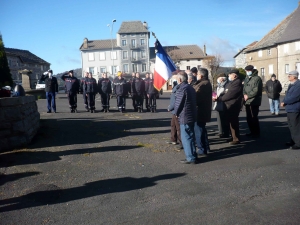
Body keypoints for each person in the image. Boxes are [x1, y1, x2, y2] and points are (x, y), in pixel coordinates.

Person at [174, 71, 197, 164]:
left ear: (179, 79)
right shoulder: (190, 87)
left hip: (185, 116)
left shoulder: (182, 88)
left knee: (186, 137)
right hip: (191, 115)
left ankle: (190, 158)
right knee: (191, 136)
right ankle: (193, 155)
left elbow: (178, 103)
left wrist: (176, 113)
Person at [217, 69, 243, 145]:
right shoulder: (232, 83)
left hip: (233, 105)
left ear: (234, 75)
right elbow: (226, 91)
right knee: (230, 122)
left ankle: (236, 138)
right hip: (229, 105)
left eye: (230, 74)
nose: (228, 76)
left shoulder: (237, 83)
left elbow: (230, 94)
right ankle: (233, 136)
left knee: (233, 122)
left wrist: (220, 99)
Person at [193, 68, 212, 156]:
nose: (196, 76)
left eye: (197, 74)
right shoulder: (202, 83)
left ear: (201, 75)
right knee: (202, 130)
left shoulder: (204, 84)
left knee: (199, 130)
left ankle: (202, 149)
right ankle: (206, 147)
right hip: (201, 110)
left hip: (200, 110)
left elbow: (198, 98)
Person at [281, 70, 300, 150]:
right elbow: (287, 94)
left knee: (295, 126)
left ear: (294, 76)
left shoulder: (298, 85)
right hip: (289, 108)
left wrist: (285, 102)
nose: (288, 77)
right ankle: (293, 140)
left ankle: (298, 143)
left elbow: (295, 97)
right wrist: (284, 101)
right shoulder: (291, 85)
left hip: (295, 108)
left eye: (289, 76)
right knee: (291, 125)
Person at [243, 65, 262, 138]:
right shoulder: (247, 78)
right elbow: (244, 87)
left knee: (254, 117)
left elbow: (256, 90)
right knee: (249, 118)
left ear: (252, 70)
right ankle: (252, 131)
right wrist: (244, 94)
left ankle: (256, 132)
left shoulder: (257, 79)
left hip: (254, 101)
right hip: (247, 101)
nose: (247, 72)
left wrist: (248, 95)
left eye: (248, 71)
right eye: (246, 71)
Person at [167, 75, 182, 148]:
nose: (173, 79)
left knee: (178, 127)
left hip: (176, 109)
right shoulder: (176, 85)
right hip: (173, 109)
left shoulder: (179, 87)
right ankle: (173, 139)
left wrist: (171, 107)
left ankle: (181, 142)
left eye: (175, 77)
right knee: (173, 125)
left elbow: (177, 100)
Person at [213, 73, 230, 138]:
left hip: (224, 104)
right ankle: (221, 132)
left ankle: (226, 133)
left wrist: (218, 98)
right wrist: (214, 96)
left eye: (219, 78)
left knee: (225, 119)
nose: (218, 80)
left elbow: (226, 94)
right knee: (219, 119)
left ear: (222, 79)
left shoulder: (227, 85)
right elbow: (214, 92)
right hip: (218, 103)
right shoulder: (218, 85)